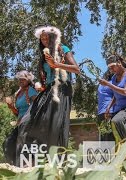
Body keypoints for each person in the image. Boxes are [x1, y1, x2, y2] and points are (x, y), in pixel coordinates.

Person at [16, 25, 80, 165]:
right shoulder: (43, 56)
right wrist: (40, 85)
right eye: (42, 38)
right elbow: (45, 78)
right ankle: (29, 160)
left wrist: (56, 64)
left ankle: (58, 161)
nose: (44, 40)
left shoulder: (62, 49)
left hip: (63, 88)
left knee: (56, 125)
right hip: (48, 90)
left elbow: (76, 69)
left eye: (47, 37)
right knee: (27, 121)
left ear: (53, 38)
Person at [98, 55, 126, 142]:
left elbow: (125, 92)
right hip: (120, 109)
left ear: (119, 63)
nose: (111, 69)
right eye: (109, 68)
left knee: (117, 121)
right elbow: (116, 95)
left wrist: (108, 84)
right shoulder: (114, 78)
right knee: (111, 128)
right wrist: (109, 107)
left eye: (113, 66)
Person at [3, 70, 38, 165]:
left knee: (23, 143)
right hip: (20, 123)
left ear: (28, 80)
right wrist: (11, 107)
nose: (21, 81)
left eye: (23, 79)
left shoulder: (31, 91)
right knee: (8, 143)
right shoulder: (19, 93)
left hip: (29, 122)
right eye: (19, 80)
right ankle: (13, 165)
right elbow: (18, 113)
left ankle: (27, 166)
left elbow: (37, 107)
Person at [97, 70, 115, 141]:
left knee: (104, 137)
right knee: (111, 137)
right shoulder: (112, 84)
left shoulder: (100, 86)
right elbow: (116, 96)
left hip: (100, 112)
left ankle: (105, 152)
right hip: (110, 111)